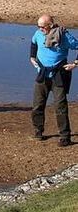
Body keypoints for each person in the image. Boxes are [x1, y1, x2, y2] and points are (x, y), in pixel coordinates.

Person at [30, 15, 78, 146]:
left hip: (59, 75)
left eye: (42, 27)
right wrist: (32, 57)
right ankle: (38, 131)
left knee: (60, 107)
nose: (40, 29)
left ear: (50, 25)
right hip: (42, 74)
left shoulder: (64, 36)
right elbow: (33, 43)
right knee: (37, 105)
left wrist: (75, 63)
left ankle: (65, 136)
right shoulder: (38, 34)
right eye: (38, 26)